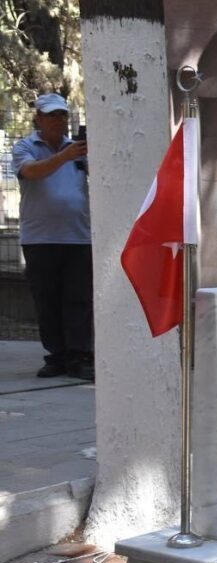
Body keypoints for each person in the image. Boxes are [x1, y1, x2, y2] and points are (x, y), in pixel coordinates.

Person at [13, 93, 94, 382]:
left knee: (79, 299)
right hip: (40, 238)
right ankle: (56, 356)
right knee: (47, 300)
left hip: (78, 236)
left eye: (62, 115)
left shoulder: (79, 150)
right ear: (38, 118)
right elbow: (31, 172)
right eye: (51, 115)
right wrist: (64, 157)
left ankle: (80, 355)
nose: (58, 120)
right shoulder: (25, 147)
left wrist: (88, 156)